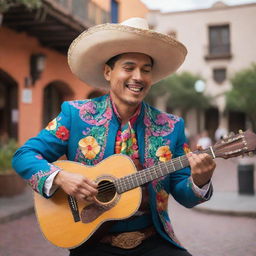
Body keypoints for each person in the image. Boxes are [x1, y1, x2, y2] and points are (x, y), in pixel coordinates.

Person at [12, 17, 216, 256]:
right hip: (92, 243)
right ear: (108, 72)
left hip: (153, 241)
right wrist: (60, 178)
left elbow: (184, 194)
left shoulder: (171, 126)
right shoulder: (75, 114)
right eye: (129, 68)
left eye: (146, 70)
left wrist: (200, 180)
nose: (138, 76)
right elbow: (23, 156)